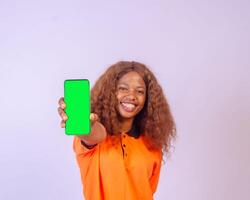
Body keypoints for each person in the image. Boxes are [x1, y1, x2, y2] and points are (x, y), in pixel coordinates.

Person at [57, 61, 176, 200]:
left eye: (139, 91)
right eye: (123, 88)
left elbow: (148, 191)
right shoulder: (94, 140)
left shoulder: (153, 144)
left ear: (147, 99)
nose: (132, 95)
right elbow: (93, 134)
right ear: (110, 92)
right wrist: (83, 123)